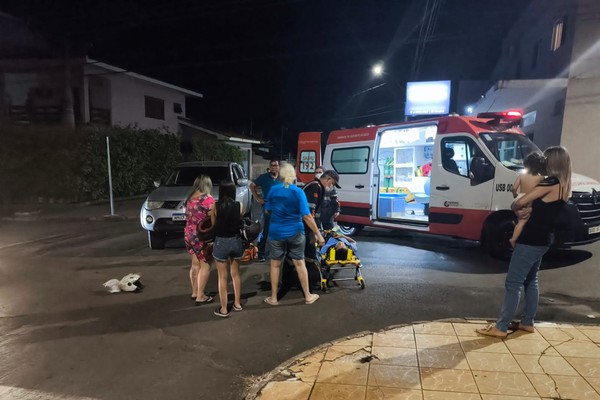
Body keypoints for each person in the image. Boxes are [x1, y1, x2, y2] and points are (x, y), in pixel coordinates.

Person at [476, 146, 571, 338]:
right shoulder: (564, 183)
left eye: (546, 158)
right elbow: (546, 210)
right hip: (544, 239)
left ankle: (501, 327)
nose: (543, 161)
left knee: (513, 282)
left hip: (531, 239)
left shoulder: (550, 182)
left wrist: (518, 207)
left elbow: (519, 202)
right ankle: (528, 322)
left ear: (552, 161)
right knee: (531, 280)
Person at [263, 163, 324, 306]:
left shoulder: (273, 190)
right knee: (299, 263)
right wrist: (319, 235)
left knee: (275, 265)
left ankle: (273, 298)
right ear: (293, 176)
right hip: (295, 232)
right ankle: (308, 296)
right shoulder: (298, 192)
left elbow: (267, 210)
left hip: (276, 232)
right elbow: (307, 216)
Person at [209, 180, 245, 318]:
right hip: (236, 241)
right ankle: (237, 304)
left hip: (221, 242)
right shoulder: (239, 205)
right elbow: (239, 222)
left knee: (222, 277)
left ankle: (224, 309)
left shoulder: (215, 206)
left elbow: (213, 225)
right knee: (235, 274)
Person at [184, 175, 215, 305]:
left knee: (195, 264)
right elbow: (213, 219)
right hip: (201, 236)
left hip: (188, 234)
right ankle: (201, 295)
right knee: (206, 265)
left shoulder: (189, 198)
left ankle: (195, 291)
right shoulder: (207, 199)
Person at [302, 169, 341, 267]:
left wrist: (313, 233)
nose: (332, 187)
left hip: (304, 226)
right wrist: (318, 234)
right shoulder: (315, 187)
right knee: (301, 256)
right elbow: (308, 215)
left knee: (308, 254)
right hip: (298, 226)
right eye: (333, 183)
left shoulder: (318, 188)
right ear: (328, 179)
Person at [509, 152, 546, 248]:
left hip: (520, 197)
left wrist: (515, 195)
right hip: (530, 199)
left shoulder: (521, 176)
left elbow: (513, 188)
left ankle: (516, 222)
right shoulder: (540, 178)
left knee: (521, 218)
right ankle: (513, 239)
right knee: (524, 221)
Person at [250, 157, 281, 261]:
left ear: (279, 167)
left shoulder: (282, 178)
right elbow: (252, 185)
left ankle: (278, 253)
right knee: (265, 230)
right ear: (269, 167)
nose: (274, 167)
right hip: (268, 208)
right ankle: (261, 253)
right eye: (272, 165)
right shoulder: (264, 177)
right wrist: (258, 198)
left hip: (280, 209)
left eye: (275, 165)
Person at [315, 166, 341, 230]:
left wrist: (337, 210)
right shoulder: (315, 185)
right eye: (316, 172)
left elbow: (335, 199)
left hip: (327, 213)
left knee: (329, 232)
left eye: (320, 172)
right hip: (317, 214)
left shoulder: (330, 186)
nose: (318, 174)